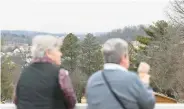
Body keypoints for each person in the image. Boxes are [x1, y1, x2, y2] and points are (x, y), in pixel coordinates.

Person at [86, 38, 155, 109]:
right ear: (124, 57)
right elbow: (149, 104)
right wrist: (144, 82)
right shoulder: (132, 79)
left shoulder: (93, 80)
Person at [13, 35, 77, 109]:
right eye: (58, 50)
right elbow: (71, 100)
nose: (60, 54)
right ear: (48, 52)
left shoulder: (24, 74)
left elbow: (16, 99)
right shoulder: (60, 74)